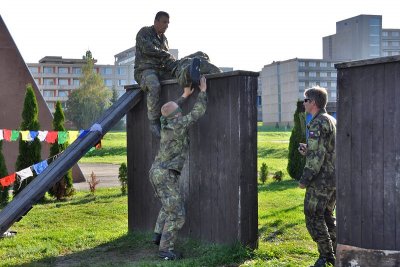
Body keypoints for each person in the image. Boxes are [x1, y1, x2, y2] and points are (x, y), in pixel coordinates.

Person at [148, 76, 208, 260]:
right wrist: (203, 92)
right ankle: (165, 251)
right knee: (177, 214)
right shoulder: (179, 124)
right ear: (177, 115)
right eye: (179, 110)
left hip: (156, 172)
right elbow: (198, 112)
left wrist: (184, 95)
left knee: (168, 206)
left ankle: (158, 235)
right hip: (165, 175)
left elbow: (170, 109)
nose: (181, 111)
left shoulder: (166, 122)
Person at [134, 11, 221, 137]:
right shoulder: (144, 32)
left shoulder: (164, 40)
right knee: (154, 85)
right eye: (164, 22)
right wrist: (167, 55)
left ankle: (190, 71)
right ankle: (153, 123)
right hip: (145, 70)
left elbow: (167, 60)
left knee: (185, 65)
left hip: (162, 70)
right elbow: (148, 49)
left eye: (168, 23)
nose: (166, 26)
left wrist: (178, 65)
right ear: (156, 21)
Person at [298, 86, 337, 267]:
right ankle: (336, 253)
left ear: (313, 102)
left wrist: (305, 178)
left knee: (313, 214)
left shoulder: (317, 122)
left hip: (320, 180)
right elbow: (325, 149)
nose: (303, 103)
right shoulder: (331, 120)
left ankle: (326, 256)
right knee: (327, 215)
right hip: (333, 178)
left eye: (305, 100)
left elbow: (317, 157)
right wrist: (308, 150)